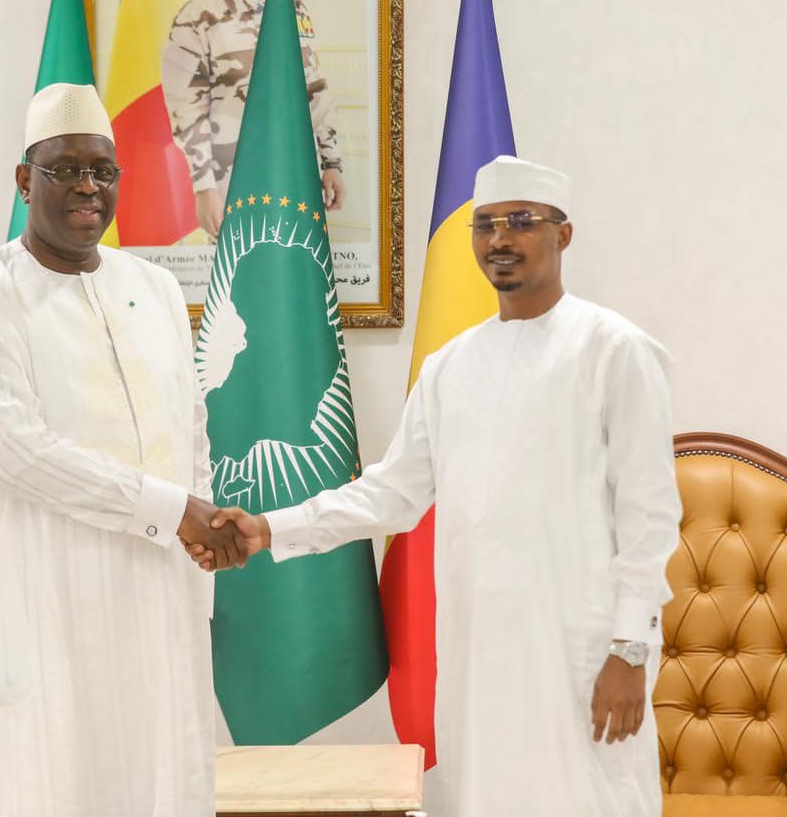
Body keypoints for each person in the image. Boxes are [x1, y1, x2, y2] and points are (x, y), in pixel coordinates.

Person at [191, 156, 682, 816]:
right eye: (486, 224)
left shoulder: (616, 350)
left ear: (563, 234)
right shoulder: (451, 367)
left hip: (582, 650)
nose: (500, 239)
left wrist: (630, 648)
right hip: (479, 651)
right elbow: (390, 492)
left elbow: (651, 517)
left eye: (521, 221)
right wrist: (270, 527)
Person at [0, 82, 243, 816]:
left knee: (156, 788)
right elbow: (23, 455)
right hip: (34, 620)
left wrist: (201, 529)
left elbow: (189, 429)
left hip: (153, 611)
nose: (88, 186)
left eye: (102, 169)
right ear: (24, 181)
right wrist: (175, 510)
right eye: (65, 169)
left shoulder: (156, 289)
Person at [161, 0, 345, 239]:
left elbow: (313, 88)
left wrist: (332, 162)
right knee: (240, 262)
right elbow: (187, 110)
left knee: (297, 257)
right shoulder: (196, 17)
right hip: (232, 181)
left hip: (294, 173)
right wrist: (204, 187)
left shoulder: (293, 9)